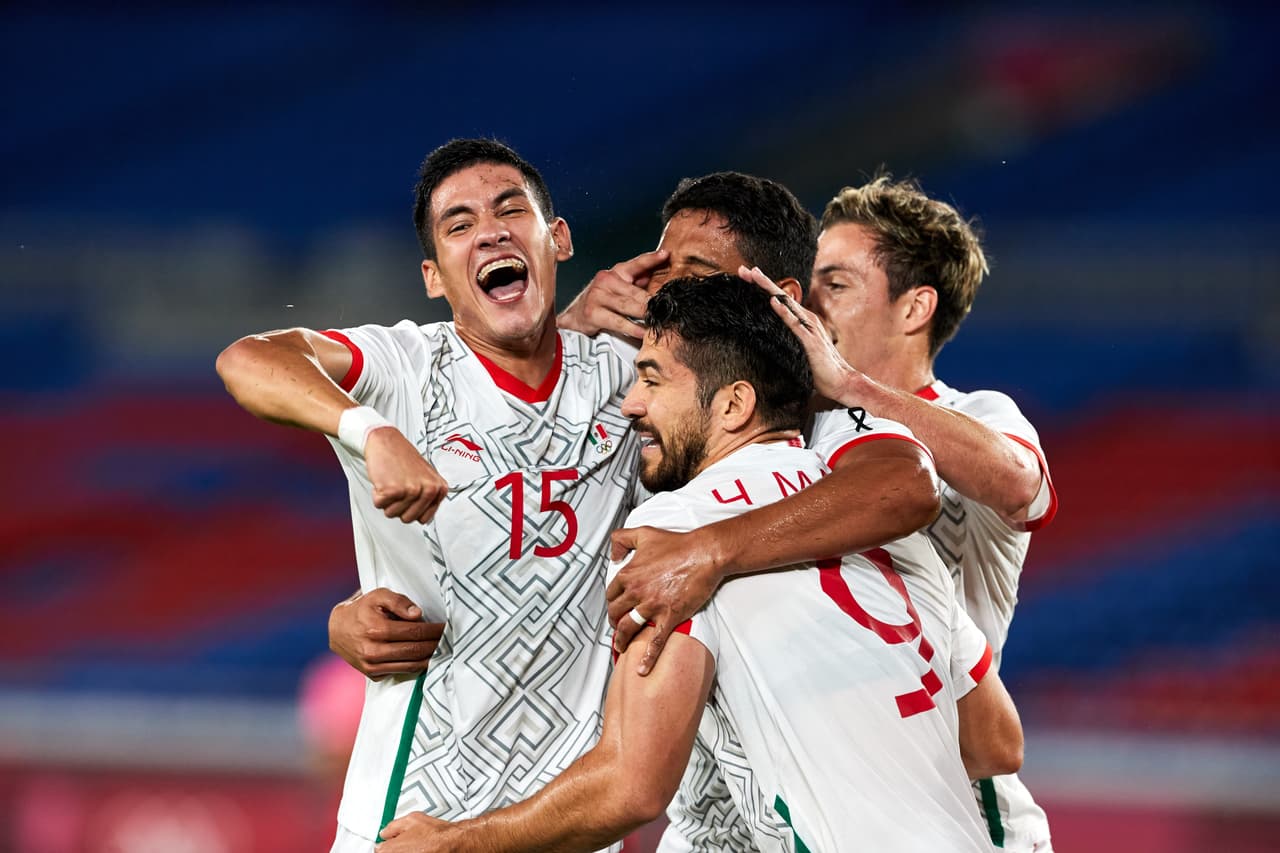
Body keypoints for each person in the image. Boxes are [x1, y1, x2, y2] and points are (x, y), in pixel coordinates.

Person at [377, 275, 1019, 853]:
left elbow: (631, 786)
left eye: (652, 380)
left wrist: (458, 843)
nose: (631, 404)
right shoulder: (884, 522)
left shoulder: (674, 533)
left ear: (734, 405)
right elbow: (995, 740)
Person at [610, 176, 1059, 852]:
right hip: (781, 791)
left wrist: (852, 388)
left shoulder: (973, 415)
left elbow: (1012, 484)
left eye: (837, 284)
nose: (810, 302)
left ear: (916, 308)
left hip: (939, 785)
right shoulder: (747, 424)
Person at [217, 138, 642, 852]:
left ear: (559, 239)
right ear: (433, 277)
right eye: (460, 224)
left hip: (564, 827)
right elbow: (248, 358)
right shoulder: (404, 372)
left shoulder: (630, 377)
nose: (491, 232)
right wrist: (372, 431)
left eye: (511, 210)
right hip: (412, 818)